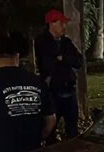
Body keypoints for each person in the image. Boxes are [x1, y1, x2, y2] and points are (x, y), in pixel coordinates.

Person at [34, 9, 83, 142]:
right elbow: (48, 64)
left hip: (69, 89)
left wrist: (64, 58)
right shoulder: (42, 42)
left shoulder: (66, 42)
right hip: (53, 91)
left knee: (72, 129)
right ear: (52, 24)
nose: (64, 26)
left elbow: (79, 61)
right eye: (61, 23)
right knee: (51, 128)